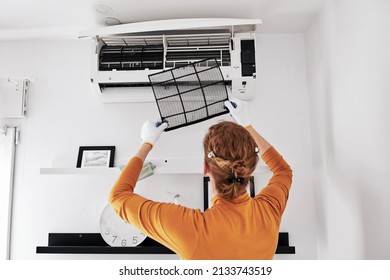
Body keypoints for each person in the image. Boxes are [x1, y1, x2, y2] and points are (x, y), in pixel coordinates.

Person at [109, 98, 292, 259]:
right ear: (249, 170)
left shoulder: (189, 228)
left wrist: (147, 142)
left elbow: (117, 197)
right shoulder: (269, 211)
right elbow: (283, 171)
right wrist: (247, 125)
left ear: (205, 168)